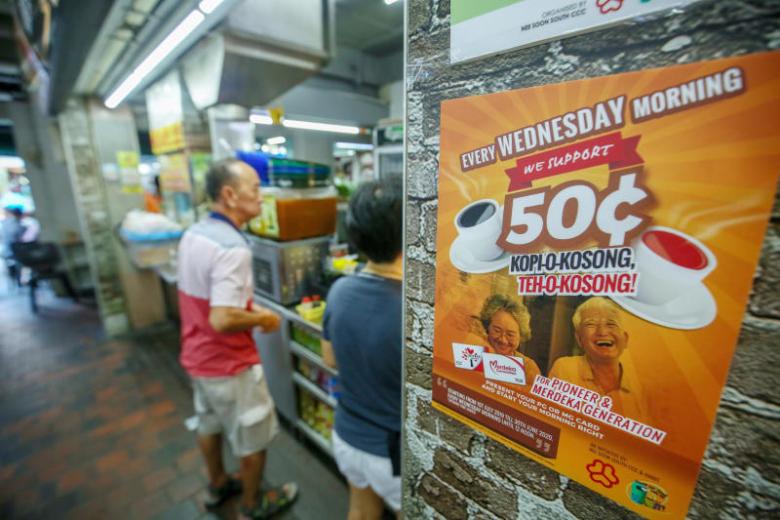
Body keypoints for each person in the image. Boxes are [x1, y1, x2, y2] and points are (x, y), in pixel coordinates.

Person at [176, 158, 298, 519]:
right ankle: (251, 504)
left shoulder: (194, 233)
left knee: (208, 424)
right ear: (229, 195)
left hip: (197, 357)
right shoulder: (233, 247)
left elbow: (205, 302)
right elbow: (224, 316)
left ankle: (217, 485)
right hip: (230, 364)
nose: (262, 197)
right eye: (256, 189)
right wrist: (263, 317)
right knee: (253, 437)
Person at [321, 177, 403, 519]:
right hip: (392, 454)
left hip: (347, 436)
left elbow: (330, 359)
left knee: (360, 511)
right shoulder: (413, 311)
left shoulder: (339, 290)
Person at [548, 297, 649, 420]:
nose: (602, 332)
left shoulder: (641, 384)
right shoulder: (565, 368)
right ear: (579, 339)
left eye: (611, 324)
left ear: (625, 339)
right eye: (590, 324)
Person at [479, 294, 542, 386]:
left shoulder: (528, 368)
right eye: (497, 330)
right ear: (487, 327)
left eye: (510, 335)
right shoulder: (475, 354)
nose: (503, 340)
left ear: (521, 336)